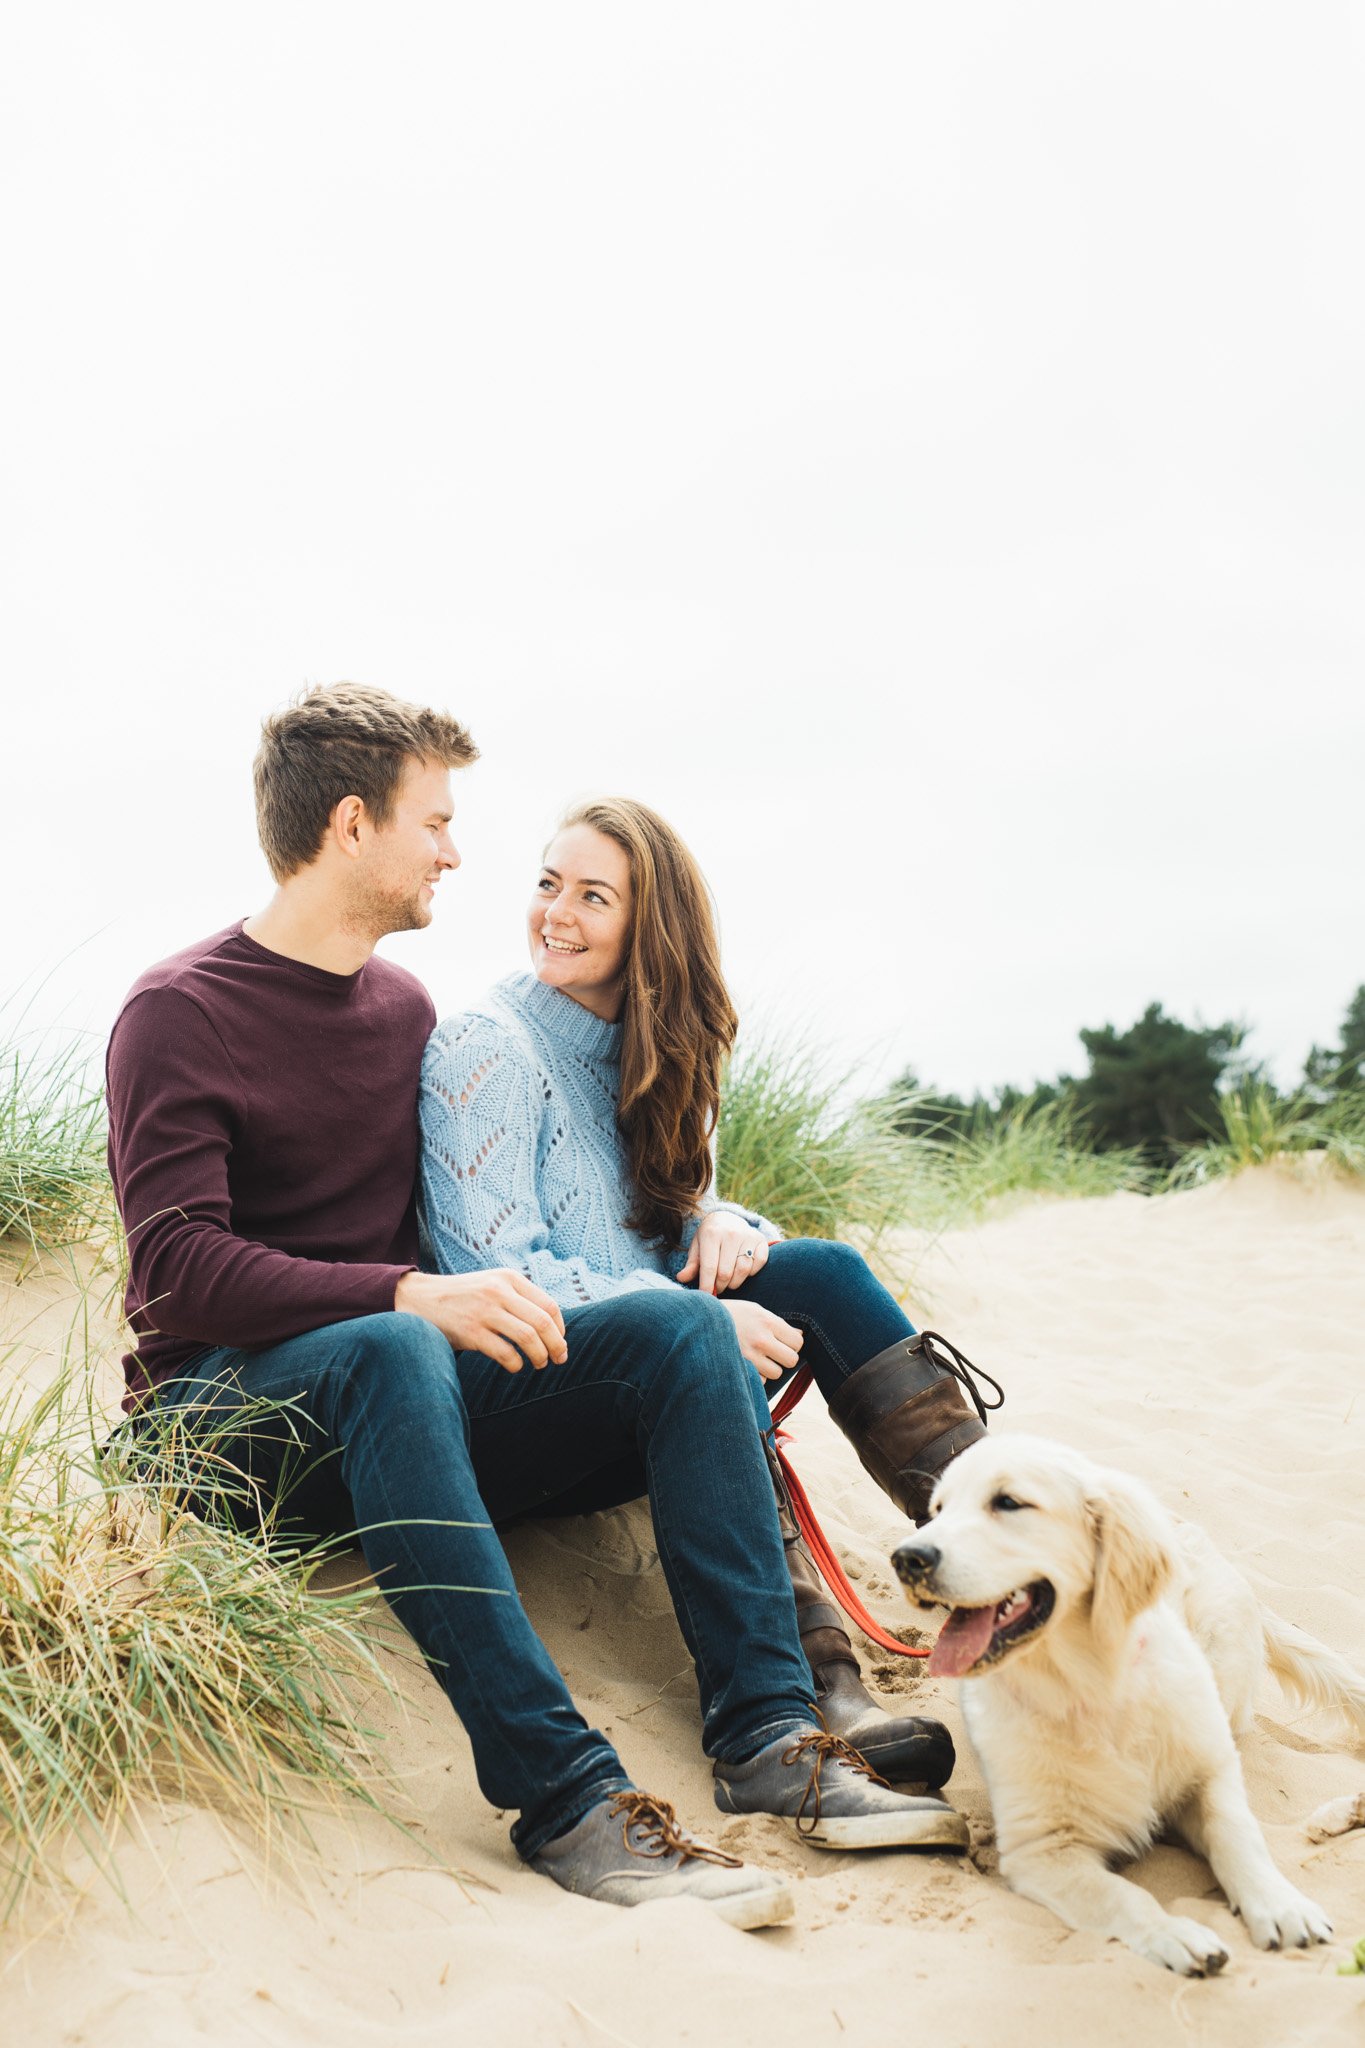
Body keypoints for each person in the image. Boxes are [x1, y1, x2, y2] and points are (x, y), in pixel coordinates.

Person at [105, 683, 971, 1937]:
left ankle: (772, 1729)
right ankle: (567, 1795)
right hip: (228, 1429)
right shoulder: (181, 1010)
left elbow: (556, 1206)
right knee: (395, 1342)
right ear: (353, 824)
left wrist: (707, 1234)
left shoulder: (400, 1010)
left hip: (404, 1416)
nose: (457, 850)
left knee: (678, 1330)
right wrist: (406, 1288)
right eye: (436, 820)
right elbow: (178, 1267)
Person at [419, 796, 1003, 1783]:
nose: (556, 911)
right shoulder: (486, 1049)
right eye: (549, 882)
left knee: (822, 1270)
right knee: (699, 1335)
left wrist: (722, 1222)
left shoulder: (661, 1051)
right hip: (523, 1397)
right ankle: (822, 1681)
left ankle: (1009, 1529)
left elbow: (655, 1216)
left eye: (593, 894)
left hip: (652, 1352)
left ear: (650, 929)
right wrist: (704, 1316)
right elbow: (499, 1271)